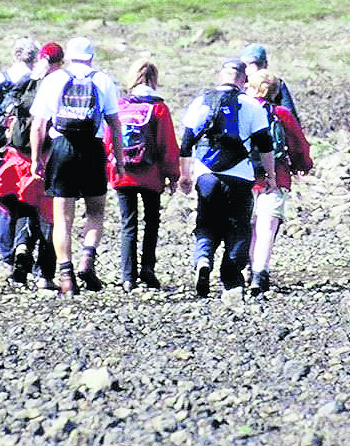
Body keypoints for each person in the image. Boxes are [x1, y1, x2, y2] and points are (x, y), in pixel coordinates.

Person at [30, 37, 123, 296]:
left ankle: (66, 276)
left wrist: (36, 159)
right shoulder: (103, 80)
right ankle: (87, 258)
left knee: (63, 218)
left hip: (62, 149)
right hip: (92, 149)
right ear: (91, 57)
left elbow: (38, 126)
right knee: (96, 212)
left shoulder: (53, 80)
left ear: (68, 57)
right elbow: (115, 124)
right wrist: (119, 158)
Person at [177, 57, 273, 297]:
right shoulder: (251, 105)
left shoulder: (201, 101)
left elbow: (186, 143)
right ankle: (230, 278)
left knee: (206, 223)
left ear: (221, 76)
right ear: (243, 79)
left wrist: (185, 175)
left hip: (206, 175)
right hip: (239, 177)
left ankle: (203, 259)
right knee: (238, 227)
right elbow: (265, 145)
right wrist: (270, 175)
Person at [0, 42, 61, 289]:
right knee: (50, 215)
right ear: (60, 62)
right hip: (49, 158)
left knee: (25, 207)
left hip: (20, 157)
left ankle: (21, 249)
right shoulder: (59, 83)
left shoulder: (25, 82)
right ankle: (45, 275)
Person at [107, 57, 181, 290]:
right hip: (151, 174)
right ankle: (147, 269)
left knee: (128, 223)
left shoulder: (120, 105)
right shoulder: (158, 107)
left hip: (123, 173)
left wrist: (110, 170)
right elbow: (167, 144)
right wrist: (173, 175)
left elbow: (108, 140)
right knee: (151, 222)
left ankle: (127, 276)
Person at [247, 66, 313, 295]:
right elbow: (299, 144)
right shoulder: (282, 113)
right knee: (267, 226)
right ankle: (260, 273)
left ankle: (247, 269)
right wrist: (302, 166)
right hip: (277, 176)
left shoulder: (242, 110)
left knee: (249, 225)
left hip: (244, 176)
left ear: (253, 88)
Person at [0, 36, 38, 260]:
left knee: (0, 199)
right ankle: (25, 246)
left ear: (14, 55)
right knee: (28, 198)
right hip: (26, 151)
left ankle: (5, 250)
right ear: (35, 58)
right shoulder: (37, 83)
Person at [240, 43, 300, 126]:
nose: (252, 68)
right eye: (247, 64)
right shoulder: (239, 83)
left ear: (265, 64)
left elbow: (291, 117)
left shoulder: (276, 83)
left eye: (257, 64)